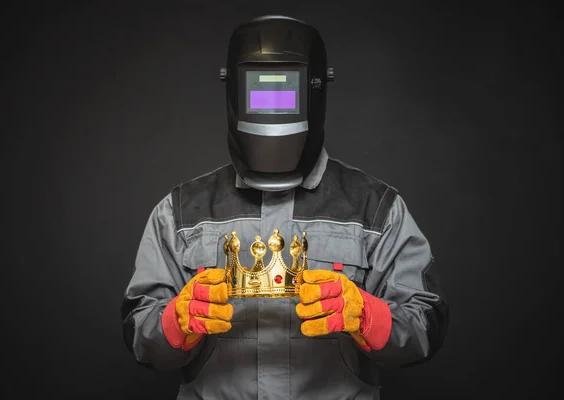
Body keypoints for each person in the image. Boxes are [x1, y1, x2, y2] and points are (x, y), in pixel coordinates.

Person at [120, 15, 449, 400]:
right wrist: (175, 323)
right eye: (258, 93)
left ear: (316, 90)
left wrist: (367, 316)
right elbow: (139, 332)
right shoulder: (180, 213)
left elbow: (426, 326)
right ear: (233, 92)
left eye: (284, 94)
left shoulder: (376, 209)